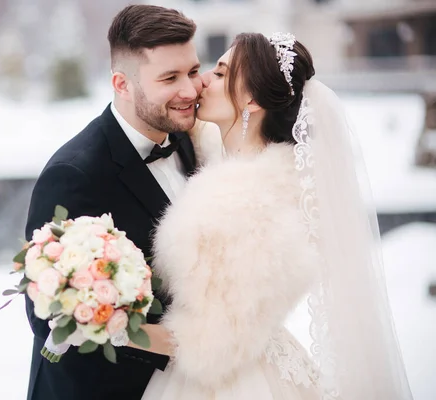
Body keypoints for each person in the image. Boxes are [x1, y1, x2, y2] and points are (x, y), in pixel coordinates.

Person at [141, 32, 414, 399]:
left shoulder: (255, 206)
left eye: (221, 74)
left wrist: (109, 326)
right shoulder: (234, 158)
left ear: (251, 99)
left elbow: (211, 344)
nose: (203, 79)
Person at [23, 5, 203, 400]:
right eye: (170, 78)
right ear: (122, 84)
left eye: (193, 71)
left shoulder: (194, 138)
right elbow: (51, 315)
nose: (190, 90)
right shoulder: (74, 175)